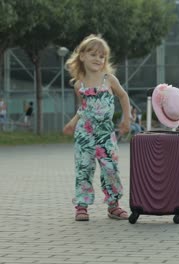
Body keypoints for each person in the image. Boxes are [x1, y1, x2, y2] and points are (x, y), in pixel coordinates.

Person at [62, 34, 131, 221]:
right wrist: (73, 121)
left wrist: (127, 118)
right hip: (85, 133)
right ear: (82, 56)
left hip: (105, 133)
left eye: (102, 56)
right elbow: (83, 108)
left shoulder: (109, 80)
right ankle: (82, 205)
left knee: (110, 167)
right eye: (93, 54)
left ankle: (114, 205)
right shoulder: (79, 84)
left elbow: (123, 97)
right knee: (84, 167)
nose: (98, 59)